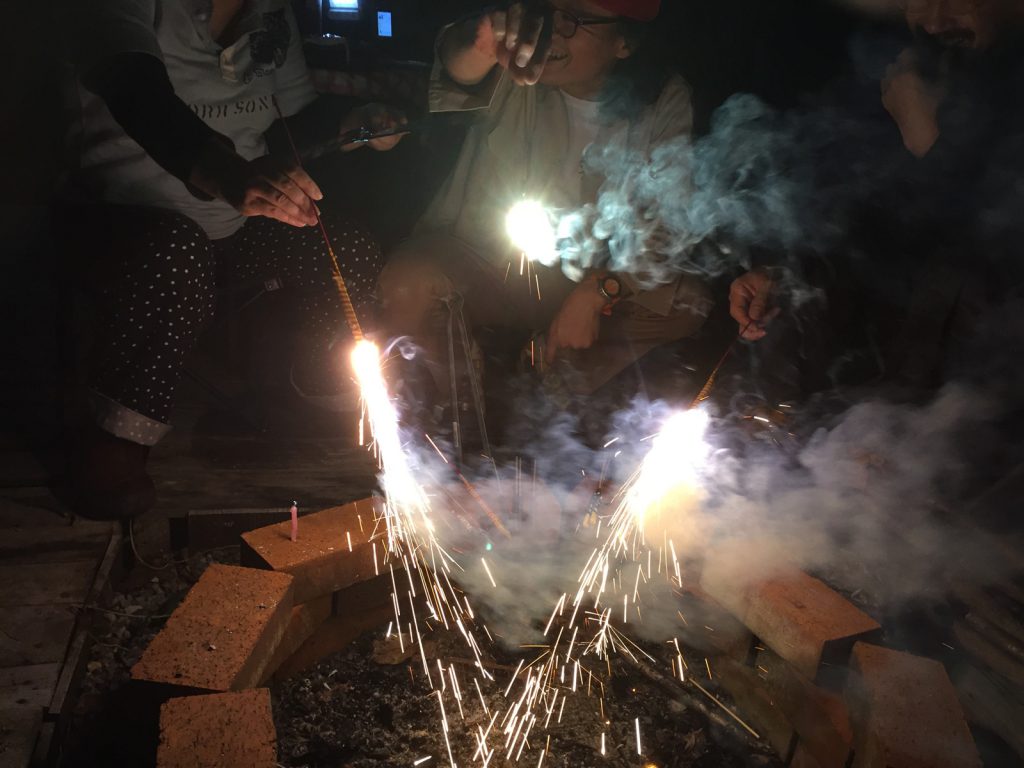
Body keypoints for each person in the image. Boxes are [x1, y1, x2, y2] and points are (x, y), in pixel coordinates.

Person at [62, 0, 404, 519]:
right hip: (119, 224)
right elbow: (133, 88)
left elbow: (293, 123)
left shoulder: (269, 12)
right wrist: (225, 174)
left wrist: (353, 125)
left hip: (236, 226)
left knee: (345, 245)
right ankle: (117, 438)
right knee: (174, 254)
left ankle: (312, 391)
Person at [377, 0, 712, 432]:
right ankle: (461, 406)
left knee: (687, 302)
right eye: (549, 11)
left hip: (591, 284)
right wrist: (482, 40)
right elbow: (458, 65)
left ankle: (549, 384)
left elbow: (668, 223)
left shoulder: (661, 98)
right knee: (409, 280)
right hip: (490, 269)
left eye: (573, 20)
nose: (552, 30)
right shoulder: (517, 68)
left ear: (624, 43)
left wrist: (600, 289)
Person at [728, 0, 1024, 387]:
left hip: (983, 391)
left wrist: (926, 139)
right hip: (884, 381)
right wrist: (783, 273)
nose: (935, 20)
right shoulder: (905, 78)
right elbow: (858, 218)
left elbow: (995, 262)